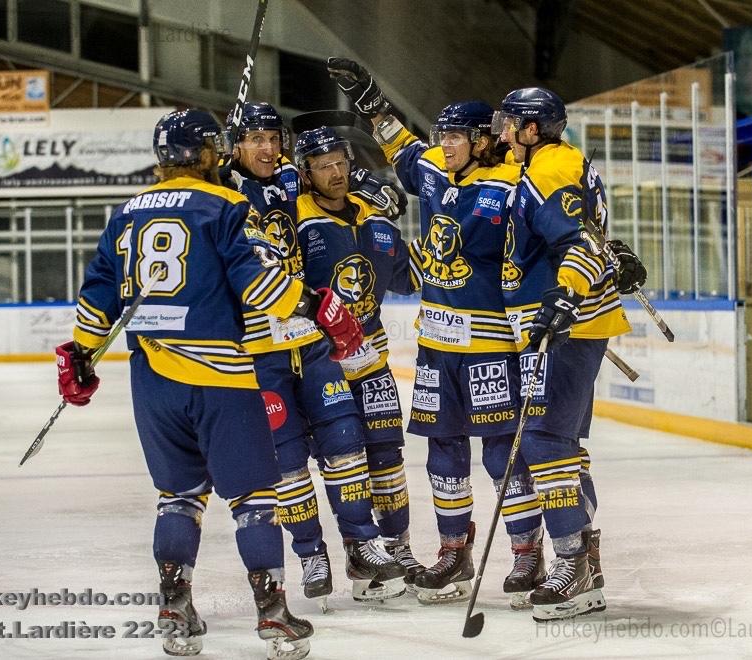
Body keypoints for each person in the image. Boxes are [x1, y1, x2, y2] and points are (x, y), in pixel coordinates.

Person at [55, 109, 363, 659]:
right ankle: (272, 617)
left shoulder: (125, 212)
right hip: (220, 375)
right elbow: (259, 286)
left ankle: (174, 608)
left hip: (151, 379)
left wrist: (80, 355)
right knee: (254, 499)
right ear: (206, 154)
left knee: (176, 497)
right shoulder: (223, 204)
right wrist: (317, 304)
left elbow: (100, 290)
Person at [328, 58, 546, 608]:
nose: (444, 144)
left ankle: (527, 551)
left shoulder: (513, 183)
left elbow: (554, 232)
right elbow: (398, 142)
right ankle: (455, 551)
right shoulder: (431, 169)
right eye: (442, 135)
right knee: (442, 453)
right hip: (437, 347)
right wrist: (368, 97)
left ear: (481, 139)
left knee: (501, 454)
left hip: (491, 347)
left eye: (454, 136)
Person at [220, 102, 407, 607]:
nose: (266, 147)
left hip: (311, 337)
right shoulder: (216, 191)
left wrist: (371, 182)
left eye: (271, 138)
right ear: (234, 145)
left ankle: (363, 544)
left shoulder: (289, 178)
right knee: (287, 462)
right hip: (259, 349)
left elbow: (330, 165)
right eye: (253, 139)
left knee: (346, 444)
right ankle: (310, 552)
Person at [493, 87, 639, 622]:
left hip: (568, 326)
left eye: (511, 124)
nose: (502, 132)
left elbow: (579, 243)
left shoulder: (549, 168)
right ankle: (585, 559)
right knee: (562, 441)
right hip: (570, 322)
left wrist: (563, 299)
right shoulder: (556, 162)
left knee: (545, 437)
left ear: (533, 130)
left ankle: (572, 561)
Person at [291, 125, 425, 591]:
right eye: (323, 165)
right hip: (319, 362)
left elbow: (412, 278)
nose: (335, 173)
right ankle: (356, 551)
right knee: (341, 460)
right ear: (305, 173)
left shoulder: (376, 218)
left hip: (372, 361)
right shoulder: (295, 219)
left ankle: (398, 547)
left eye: (341, 162)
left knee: (387, 458)